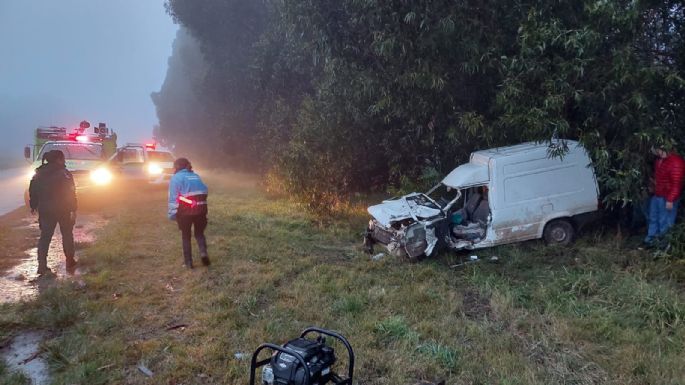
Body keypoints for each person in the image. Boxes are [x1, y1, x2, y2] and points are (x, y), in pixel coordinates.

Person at [28, 150, 77, 275]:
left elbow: (33, 191)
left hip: (45, 210)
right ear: (59, 159)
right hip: (63, 209)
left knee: (45, 237)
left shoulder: (38, 174)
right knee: (67, 234)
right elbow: (70, 193)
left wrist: (34, 206)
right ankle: (70, 261)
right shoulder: (64, 173)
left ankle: (42, 266)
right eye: (63, 158)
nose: (65, 161)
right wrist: (73, 209)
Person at [168, 158, 210, 268]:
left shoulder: (176, 178)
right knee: (199, 234)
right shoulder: (196, 176)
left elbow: (174, 198)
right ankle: (203, 253)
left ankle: (188, 262)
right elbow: (205, 190)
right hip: (201, 209)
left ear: (176, 167)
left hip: (185, 212)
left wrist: (172, 214)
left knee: (186, 236)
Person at [644, 146, 685, 246]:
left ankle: (663, 245)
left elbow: (677, 184)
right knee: (653, 218)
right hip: (658, 194)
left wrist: (670, 200)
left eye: (659, 149)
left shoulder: (676, 162)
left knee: (665, 221)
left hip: (667, 197)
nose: (657, 152)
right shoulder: (659, 160)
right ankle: (651, 241)